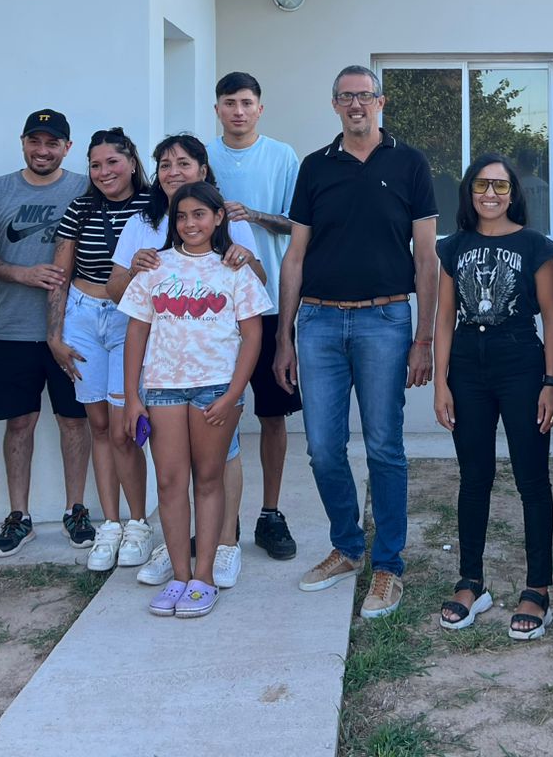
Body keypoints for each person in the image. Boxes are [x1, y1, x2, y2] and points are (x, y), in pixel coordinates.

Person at [273, 65, 439, 620]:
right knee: (322, 447)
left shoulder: (410, 163)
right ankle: (347, 547)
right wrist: (284, 337)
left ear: (381, 101)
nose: (356, 105)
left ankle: (388, 565)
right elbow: (295, 256)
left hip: (385, 321)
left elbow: (426, 259)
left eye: (364, 96)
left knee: (385, 447)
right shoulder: (315, 166)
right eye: (345, 97)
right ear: (334, 105)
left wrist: (424, 337)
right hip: (318, 323)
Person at [107, 134, 265, 590]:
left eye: (183, 163)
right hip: (163, 387)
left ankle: (213, 561)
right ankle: (179, 569)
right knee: (172, 481)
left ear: (217, 216)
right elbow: (134, 322)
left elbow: (254, 320)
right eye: (165, 164)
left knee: (212, 475)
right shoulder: (151, 248)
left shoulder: (231, 255)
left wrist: (234, 393)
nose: (190, 222)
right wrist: (133, 395)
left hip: (215, 384)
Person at [432, 155, 553, 639]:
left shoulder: (534, 245)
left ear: (513, 193)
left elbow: (552, 317)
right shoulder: (453, 246)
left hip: (520, 362)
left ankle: (537, 588)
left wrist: (551, 383)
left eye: (501, 186)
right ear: (469, 191)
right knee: (474, 476)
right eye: (482, 184)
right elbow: (444, 317)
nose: (491, 194)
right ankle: (471, 581)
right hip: (467, 365)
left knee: (532, 478)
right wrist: (441, 382)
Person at [0, 109, 92, 557]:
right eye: (34, 141)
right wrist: (22, 274)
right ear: (22, 142)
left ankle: (76, 509)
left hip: (75, 331)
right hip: (13, 329)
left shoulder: (86, 187)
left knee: (74, 422)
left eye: (52, 143)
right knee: (19, 423)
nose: (42, 150)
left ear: (67, 148)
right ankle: (19, 516)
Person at [47, 128, 155, 573]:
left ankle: (138, 523)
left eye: (113, 162)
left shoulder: (153, 206)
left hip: (131, 319)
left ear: (131, 162)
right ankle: (110, 523)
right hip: (83, 316)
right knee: (98, 425)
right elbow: (60, 273)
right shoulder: (80, 208)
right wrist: (54, 335)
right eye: (95, 165)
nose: (104, 171)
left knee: (124, 425)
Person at [209, 72, 304, 562]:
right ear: (218, 109)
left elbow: (297, 225)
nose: (239, 111)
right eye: (230, 103)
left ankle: (270, 512)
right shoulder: (202, 155)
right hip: (210, 309)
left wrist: (253, 214)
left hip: (266, 303)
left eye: (247, 103)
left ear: (260, 109)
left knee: (272, 413)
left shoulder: (282, 156)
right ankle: (223, 517)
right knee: (217, 415)